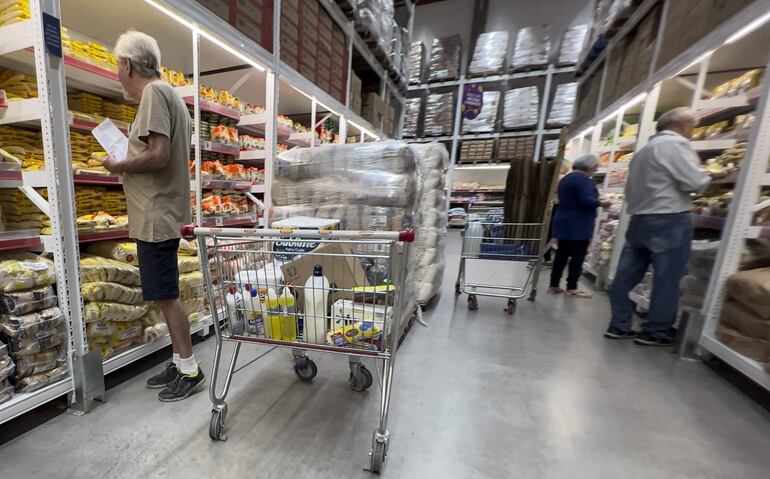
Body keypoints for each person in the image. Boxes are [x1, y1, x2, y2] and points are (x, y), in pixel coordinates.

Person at [103, 31, 205, 401]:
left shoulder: (154, 93)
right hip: (161, 212)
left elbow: (158, 154)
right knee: (165, 294)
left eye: (118, 66)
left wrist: (119, 165)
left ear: (127, 65)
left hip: (156, 214)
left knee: (166, 296)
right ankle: (180, 361)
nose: (117, 73)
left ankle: (190, 369)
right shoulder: (170, 95)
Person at [605, 107, 711, 346]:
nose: (691, 133)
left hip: (640, 219)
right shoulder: (675, 146)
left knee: (624, 276)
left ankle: (619, 324)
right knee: (666, 280)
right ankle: (655, 331)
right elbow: (697, 181)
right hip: (669, 219)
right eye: (691, 128)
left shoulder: (642, 153)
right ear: (683, 126)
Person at [548, 154, 610, 298]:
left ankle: (554, 284)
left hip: (564, 221)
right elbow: (586, 201)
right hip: (577, 224)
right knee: (578, 256)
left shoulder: (566, 178)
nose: (596, 169)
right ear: (589, 167)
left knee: (561, 254)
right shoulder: (582, 180)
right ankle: (572, 286)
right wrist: (602, 202)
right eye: (595, 166)